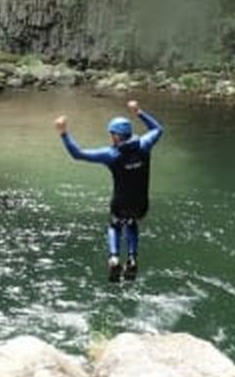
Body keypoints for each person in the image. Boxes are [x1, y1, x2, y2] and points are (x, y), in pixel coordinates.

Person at [55, 99, 163, 282]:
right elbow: (158, 129)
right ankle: (132, 258)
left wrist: (64, 133)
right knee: (132, 222)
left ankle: (114, 257)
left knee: (115, 224)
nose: (111, 137)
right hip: (141, 204)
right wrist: (138, 112)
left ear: (117, 136)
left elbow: (78, 154)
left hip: (120, 204)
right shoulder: (144, 145)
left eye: (112, 134)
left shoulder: (111, 155)